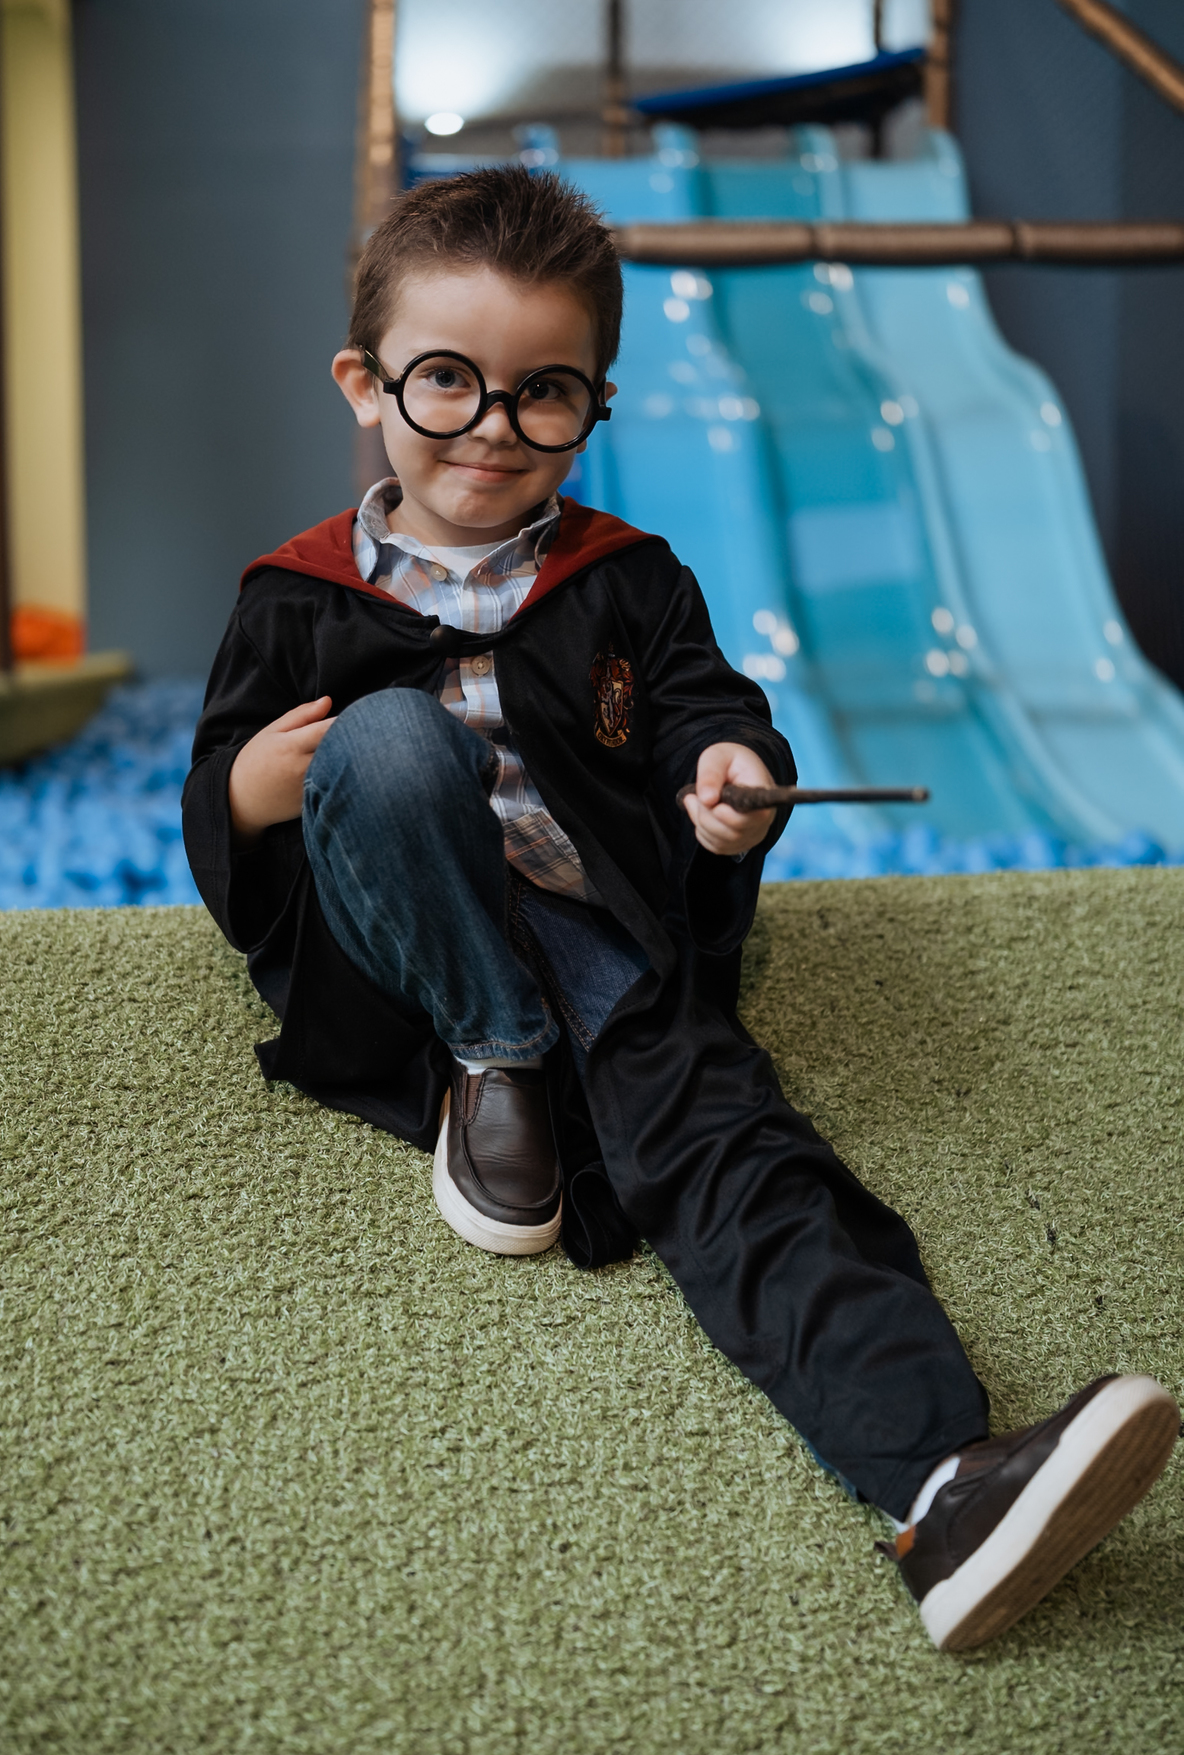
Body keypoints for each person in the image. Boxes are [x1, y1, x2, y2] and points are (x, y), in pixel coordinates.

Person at [183, 166, 1179, 1653]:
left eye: (545, 395)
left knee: (744, 1149)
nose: (491, 431)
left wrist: (728, 772)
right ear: (365, 383)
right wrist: (253, 790)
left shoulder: (629, 582)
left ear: (596, 405)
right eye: (446, 383)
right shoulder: (293, 597)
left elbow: (708, 713)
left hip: (604, 937)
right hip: (405, 953)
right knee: (390, 744)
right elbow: (222, 806)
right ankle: (492, 1057)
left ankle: (942, 1487)